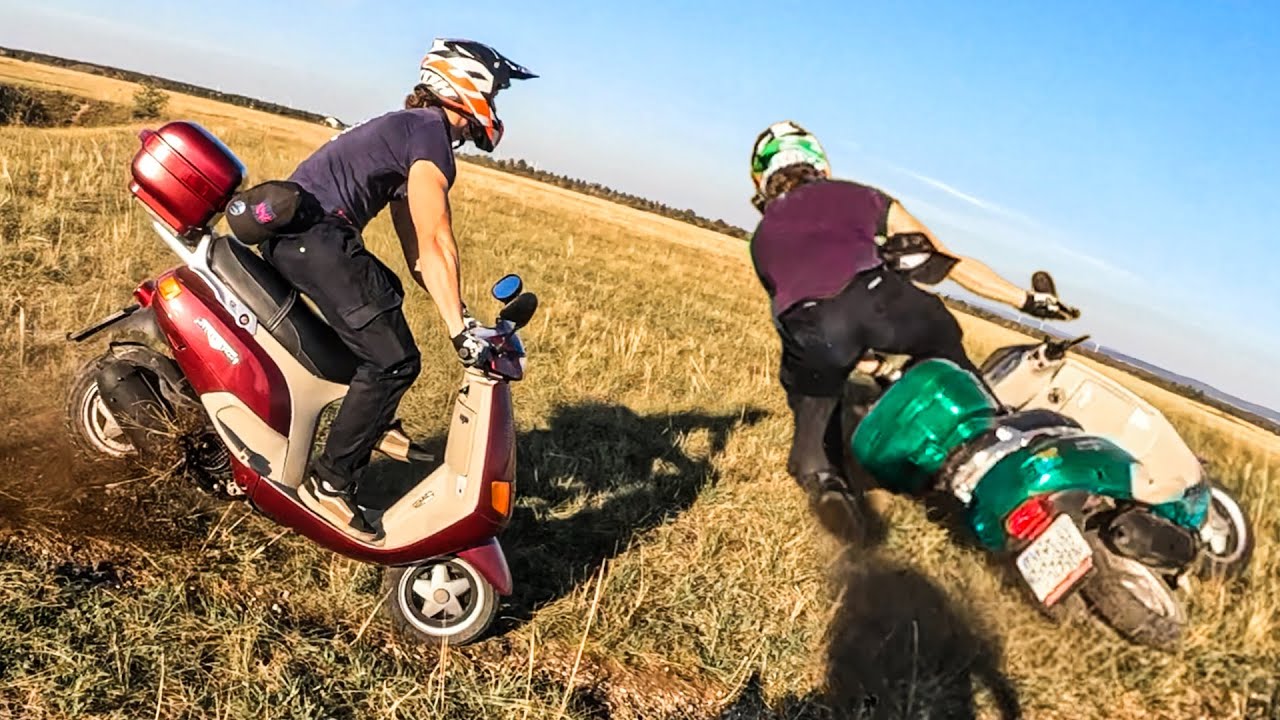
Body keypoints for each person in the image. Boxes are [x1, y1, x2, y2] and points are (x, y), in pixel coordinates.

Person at [226, 39, 535, 542]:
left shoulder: (409, 129)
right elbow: (437, 238)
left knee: (384, 292)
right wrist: (460, 334)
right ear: (469, 85)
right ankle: (329, 486)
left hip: (307, 237)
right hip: (316, 238)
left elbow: (417, 254)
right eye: (495, 91)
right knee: (394, 360)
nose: (496, 105)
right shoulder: (430, 132)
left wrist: (462, 318)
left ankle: (376, 423)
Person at [746, 120, 1080, 536]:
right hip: (883, 302)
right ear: (820, 165)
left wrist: (864, 364)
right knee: (941, 340)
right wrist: (1026, 301)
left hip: (813, 329)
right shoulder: (859, 196)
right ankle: (992, 436)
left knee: (813, 391)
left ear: (763, 180)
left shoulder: (760, 241)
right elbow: (946, 261)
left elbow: (799, 311)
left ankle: (825, 477)